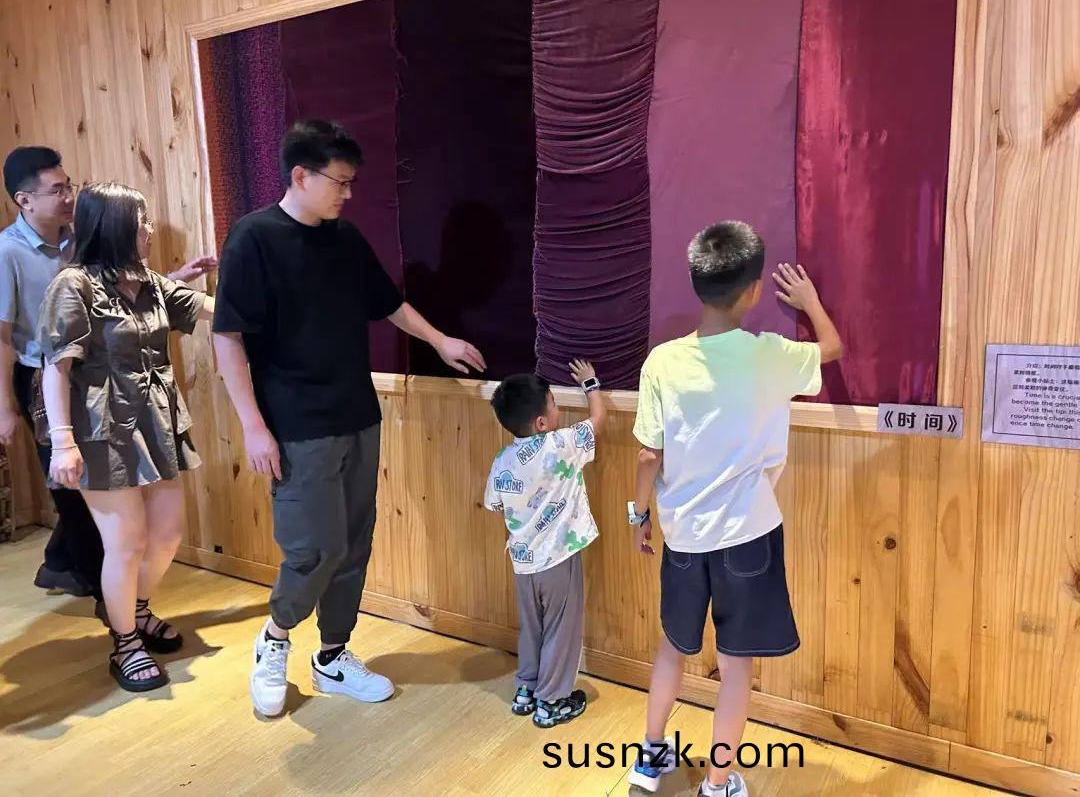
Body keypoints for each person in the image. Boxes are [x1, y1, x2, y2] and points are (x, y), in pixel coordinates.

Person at [212, 120, 486, 718]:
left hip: (358, 413)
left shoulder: (345, 238)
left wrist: (441, 341)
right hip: (295, 424)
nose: (348, 193)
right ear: (300, 176)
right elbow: (227, 338)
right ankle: (275, 638)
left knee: (355, 543)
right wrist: (253, 427)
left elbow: (389, 304)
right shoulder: (253, 238)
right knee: (315, 548)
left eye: (351, 182)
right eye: (339, 181)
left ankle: (332, 656)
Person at [627, 222, 844, 796]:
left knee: (672, 648)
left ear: (695, 282)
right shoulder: (769, 354)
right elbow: (832, 349)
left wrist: (638, 515)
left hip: (682, 534)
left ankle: (649, 761)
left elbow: (648, 454)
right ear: (753, 291)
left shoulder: (661, 362)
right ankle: (718, 784)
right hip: (749, 534)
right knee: (736, 665)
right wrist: (810, 302)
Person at [0, 146, 216, 612]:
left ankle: (108, 593)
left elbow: (124, 304)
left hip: (129, 393)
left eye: (69, 186)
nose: (68, 197)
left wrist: (178, 281)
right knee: (88, 507)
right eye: (57, 190)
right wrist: (11, 411)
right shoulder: (17, 256)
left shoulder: (84, 245)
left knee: (139, 523)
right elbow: (18, 344)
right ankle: (116, 613)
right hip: (56, 387)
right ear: (24, 199)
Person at [39, 181, 215, 692]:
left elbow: (212, 306)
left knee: (168, 534)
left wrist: (272, 294)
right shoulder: (73, 285)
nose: (150, 230)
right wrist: (63, 442)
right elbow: (56, 368)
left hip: (155, 421)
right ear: (114, 227)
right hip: (100, 429)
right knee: (126, 542)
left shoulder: (150, 282)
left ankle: (135, 610)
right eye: (142, 222)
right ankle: (125, 642)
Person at [484, 360, 605, 727]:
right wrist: (590, 384)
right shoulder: (561, 444)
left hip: (522, 562)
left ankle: (527, 688)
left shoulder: (502, 460)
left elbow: (493, 504)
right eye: (553, 404)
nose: (557, 408)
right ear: (541, 422)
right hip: (557, 558)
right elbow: (597, 420)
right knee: (560, 628)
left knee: (532, 626)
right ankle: (551, 701)